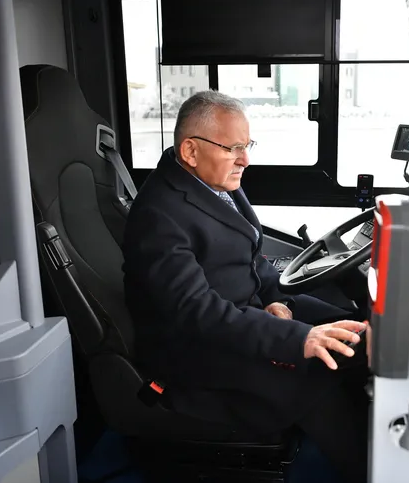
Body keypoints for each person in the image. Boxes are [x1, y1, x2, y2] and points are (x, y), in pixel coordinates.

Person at [122, 90, 370, 483]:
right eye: (234, 148)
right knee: (318, 372)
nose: (245, 160)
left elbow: (252, 257)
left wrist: (275, 299)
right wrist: (297, 338)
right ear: (190, 151)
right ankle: (366, 469)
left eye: (247, 145)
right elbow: (197, 312)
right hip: (197, 349)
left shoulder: (216, 182)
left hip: (246, 311)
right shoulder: (158, 217)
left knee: (354, 332)